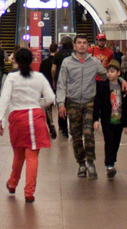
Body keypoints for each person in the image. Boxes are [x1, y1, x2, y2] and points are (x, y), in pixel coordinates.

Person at [0, 47, 55, 203]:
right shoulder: (39, 77)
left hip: (17, 119)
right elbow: (50, 98)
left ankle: (12, 183)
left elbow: (4, 99)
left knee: (18, 155)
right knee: (32, 156)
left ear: (15, 60)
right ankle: (29, 192)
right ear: (32, 60)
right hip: (36, 118)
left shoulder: (11, 77)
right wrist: (37, 104)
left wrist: (0, 119)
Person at [54, 34, 103, 178]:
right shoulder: (67, 63)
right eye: (79, 43)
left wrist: (120, 80)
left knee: (88, 133)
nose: (82, 45)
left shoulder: (94, 62)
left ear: (88, 46)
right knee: (75, 135)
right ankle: (81, 163)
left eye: (84, 43)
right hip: (73, 103)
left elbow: (106, 75)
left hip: (89, 102)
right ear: (74, 46)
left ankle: (91, 162)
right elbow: (61, 84)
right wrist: (61, 103)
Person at [93, 60, 127, 179]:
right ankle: (109, 164)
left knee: (116, 142)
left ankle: (112, 160)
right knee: (109, 141)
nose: (109, 74)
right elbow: (98, 103)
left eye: (112, 71)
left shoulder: (123, 87)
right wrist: (96, 119)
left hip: (119, 120)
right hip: (107, 120)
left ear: (118, 73)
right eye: (108, 71)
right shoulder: (103, 86)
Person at [53, 37, 73, 138]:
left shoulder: (58, 54)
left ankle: (63, 128)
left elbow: (53, 69)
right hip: (72, 82)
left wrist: (54, 80)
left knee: (62, 104)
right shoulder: (74, 54)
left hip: (61, 81)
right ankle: (73, 127)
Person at [39, 42, 59, 138]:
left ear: (49, 50)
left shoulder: (44, 62)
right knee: (60, 105)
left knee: (48, 108)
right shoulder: (59, 62)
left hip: (47, 87)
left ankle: (51, 124)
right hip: (57, 86)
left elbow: (41, 76)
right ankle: (62, 126)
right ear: (57, 50)